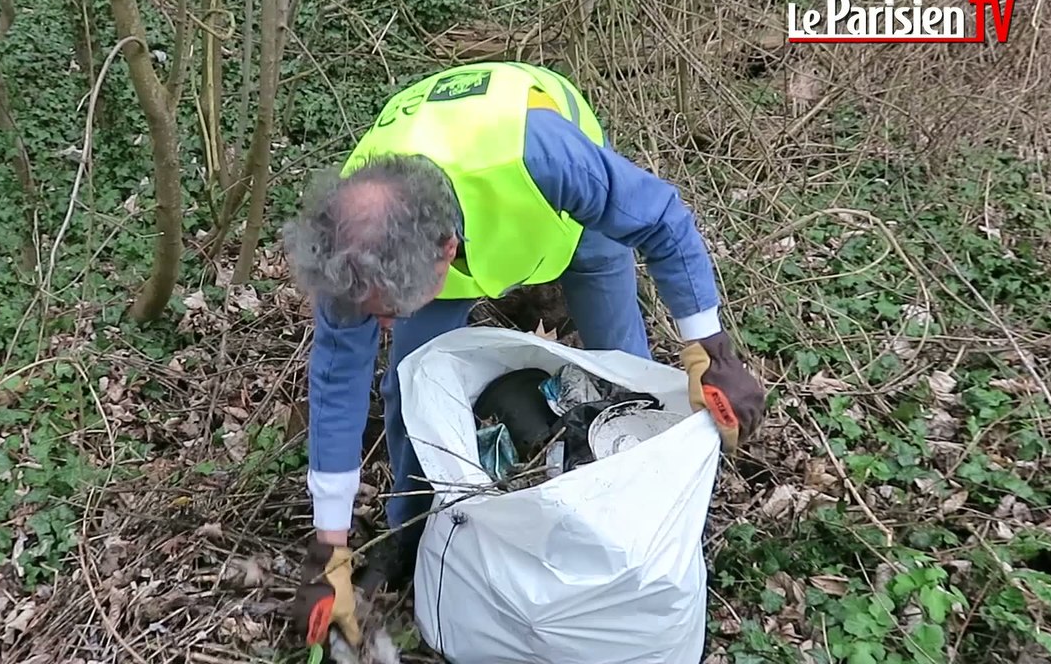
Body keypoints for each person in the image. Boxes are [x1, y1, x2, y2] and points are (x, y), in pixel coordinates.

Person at [282, 61, 767, 646]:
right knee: (411, 389)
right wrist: (328, 545)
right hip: (428, 227)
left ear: (445, 253)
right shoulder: (354, 242)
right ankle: (411, 542)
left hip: (562, 217)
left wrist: (712, 350)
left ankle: (645, 541)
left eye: (389, 308)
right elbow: (339, 380)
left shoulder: (546, 158)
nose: (379, 324)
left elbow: (662, 218)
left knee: (623, 370)